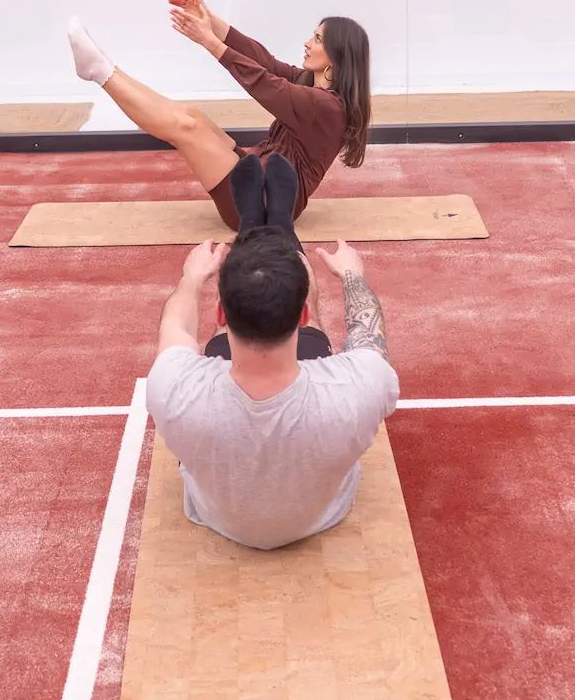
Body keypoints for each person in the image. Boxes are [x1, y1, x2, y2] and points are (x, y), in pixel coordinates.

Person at [145, 156, 398, 550]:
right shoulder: (360, 386)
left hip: (216, 517)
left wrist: (193, 276)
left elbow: (174, 328)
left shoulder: (172, 387)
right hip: (323, 514)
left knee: (221, 345)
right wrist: (352, 274)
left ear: (220, 314)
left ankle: (255, 221)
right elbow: (369, 332)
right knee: (312, 340)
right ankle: (281, 223)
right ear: (304, 314)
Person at [65, 0, 372, 231]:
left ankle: (100, 72)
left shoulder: (328, 108)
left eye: (317, 39)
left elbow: (264, 83)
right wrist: (211, 21)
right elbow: (262, 59)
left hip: (263, 206)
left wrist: (209, 43)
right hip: (258, 171)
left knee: (188, 129)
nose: (307, 42)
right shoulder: (311, 85)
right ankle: (105, 68)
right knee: (195, 117)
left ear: (336, 56)